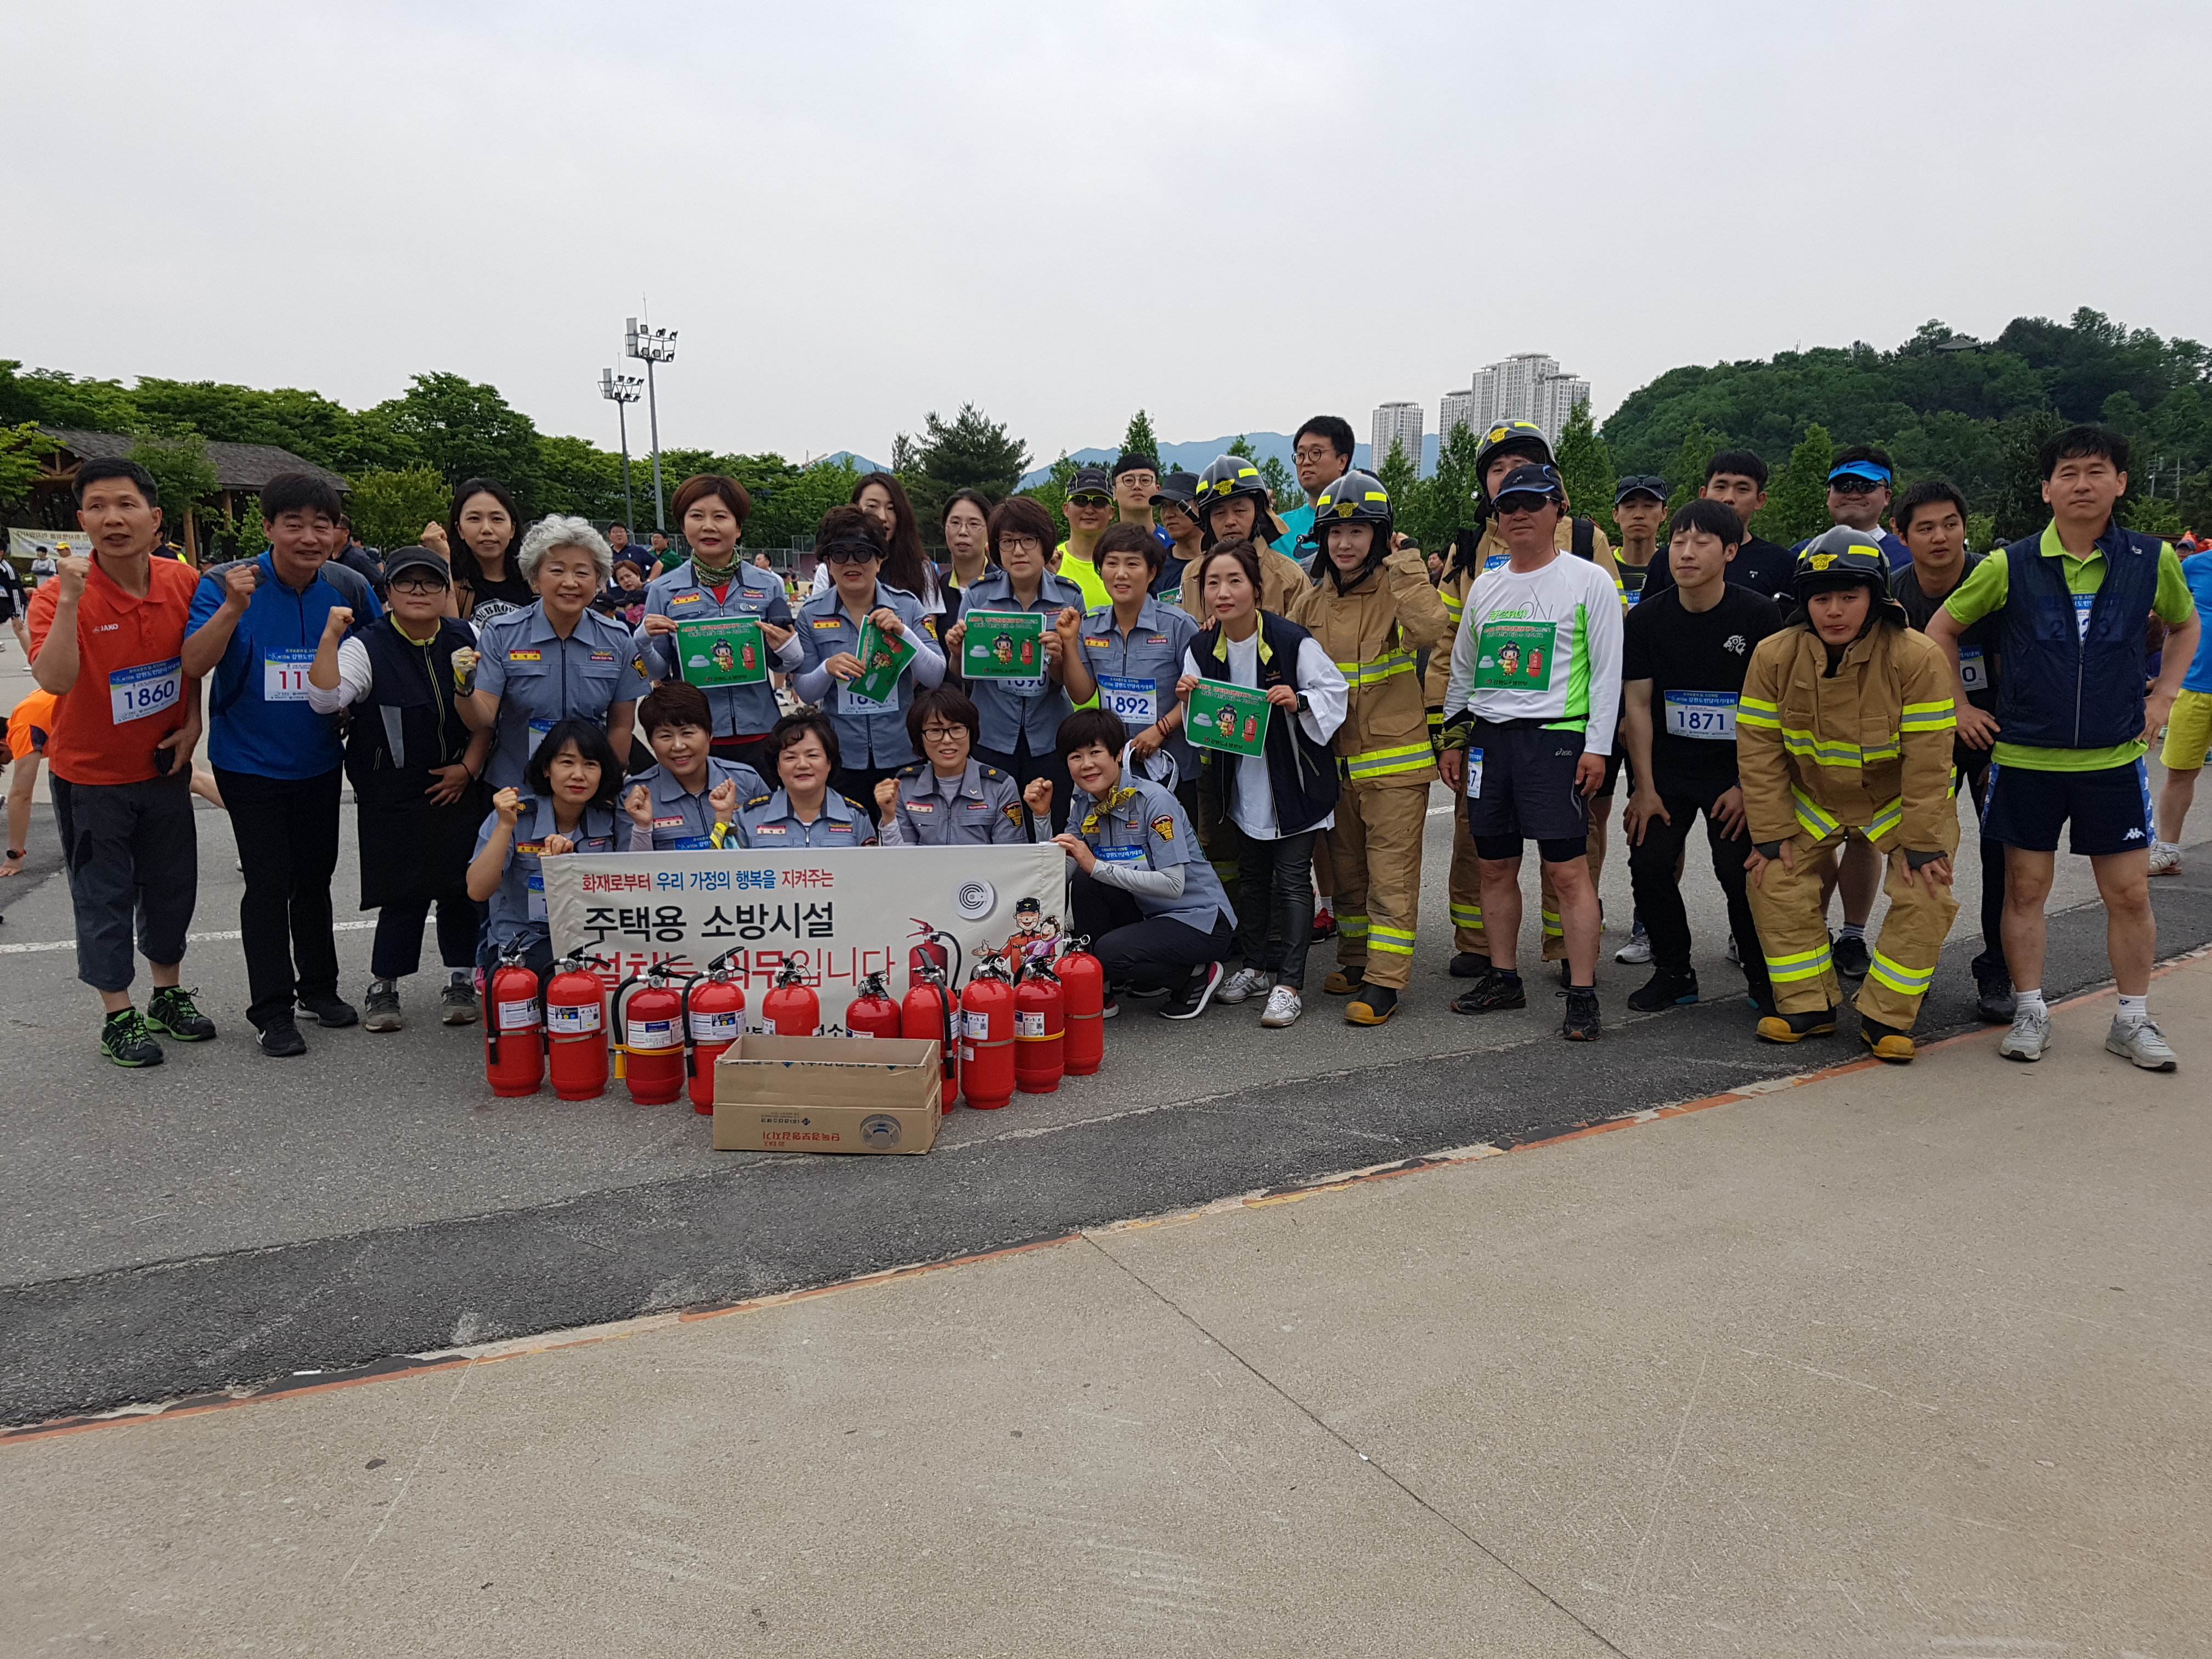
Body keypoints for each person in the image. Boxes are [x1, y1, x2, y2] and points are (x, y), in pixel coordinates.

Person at [1928, 425, 2199, 1071]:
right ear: (2047, 488)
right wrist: (1961, 708)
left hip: (2113, 759)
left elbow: (2185, 625)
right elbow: (1940, 630)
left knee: (2129, 893)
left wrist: (2164, 695)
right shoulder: (2011, 564)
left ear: (2120, 483)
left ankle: (2132, 1018)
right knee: (2025, 890)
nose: (2082, 484)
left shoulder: (2150, 559)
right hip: (2026, 757)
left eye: (2096, 471)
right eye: (2068, 473)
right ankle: (2030, 1011)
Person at [25, 457, 217, 1066]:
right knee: (102, 897)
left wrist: (193, 721)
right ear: (82, 521)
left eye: (126, 505)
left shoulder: (182, 583)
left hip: (163, 770)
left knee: (170, 889)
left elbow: (191, 663)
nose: (113, 519)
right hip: (91, 779)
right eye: (98, 508)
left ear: (155, 519)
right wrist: (70, 599)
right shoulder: (55, 597)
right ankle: (118, 1013)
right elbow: (55, 679)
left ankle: (167, 994)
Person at [1740, 529, 1959, 1061]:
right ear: (1804, 602)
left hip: (1895, 802)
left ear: (1875, 598)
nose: (1834, 610)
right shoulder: (1773, 655)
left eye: (1848, 596)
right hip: (1814, 797)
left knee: (1927, 891)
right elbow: (1759, 750)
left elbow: (1930, 760)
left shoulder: (1917, 657)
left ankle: (1887, 1016)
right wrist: (1770, 833)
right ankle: (1808, 1006)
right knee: (1771, 879)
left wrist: (1923, 842)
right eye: (1821, 598)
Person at [184, 472, 381, 1056]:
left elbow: (377, 652)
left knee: (314, 881)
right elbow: (194, 663)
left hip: (319, 761)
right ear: (269, 528)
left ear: (337, 532)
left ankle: (318, 989)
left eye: (322, 525)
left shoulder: (348, 585)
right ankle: (272, 1011)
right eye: (293, 524)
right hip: (248, 762)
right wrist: (233, 607)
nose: (309, 537)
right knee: (268, 885)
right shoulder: (225, 583)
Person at [1424, 421, 1620, 980]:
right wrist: (1450, 737)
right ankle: (1494, 965)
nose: (1517, 505)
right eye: (1502, 483)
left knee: (1567, 867)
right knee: (1486, 860)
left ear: (1557, 501)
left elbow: (1608, 663)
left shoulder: (1587, 559)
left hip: (1557, 738)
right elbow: (1456, 661)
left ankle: (1575, 971)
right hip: (1489, 740)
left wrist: (1599, 745)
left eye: (1531, 493)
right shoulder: (1475, 566)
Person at [1284, 471, 1450, 1027]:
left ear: (1381, 536)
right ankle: (1356, 960)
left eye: (1358, 531)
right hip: (1336, 765)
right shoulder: (1312, 600)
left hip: (1394, 765)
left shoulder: (1398, 589)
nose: (1345, 543)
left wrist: (1407, 564)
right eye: (1335, 532)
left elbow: (1430, 629)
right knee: (1349, 873)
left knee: (1390, 877)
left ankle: (1385, 981)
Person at [304, 546, 491, 1033]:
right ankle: (384, 985)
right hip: (392, 788)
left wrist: (469, 769)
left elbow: (491, 717)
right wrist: (329, 637)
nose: (418, 592)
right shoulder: (365, 645)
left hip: (458, 782)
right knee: (400, 891)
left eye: (431, 582)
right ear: (387, 591)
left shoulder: (468, 636)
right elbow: (325, 700)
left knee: (461, 888)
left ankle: (461, 979)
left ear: (446, 591)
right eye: (406, 582)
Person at [1617, 500, 1782, 1013]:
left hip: (1734, 771)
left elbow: (1772, 708)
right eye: (1679, 542)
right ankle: (1674, 972)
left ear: (1730, 551)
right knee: (1649, 862)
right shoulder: (1646, 619)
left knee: (1739, 871)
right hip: (1666, 769)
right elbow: (1637, 705)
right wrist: (1644, 789)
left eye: (1701, 542)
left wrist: (1747, 786)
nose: (1686, 553)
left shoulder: (1759, 615)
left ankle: (1763, 978)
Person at [1175, 538, 1347, 1030]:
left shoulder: (1291, 640)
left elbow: (1334, 692)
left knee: (1292, 882)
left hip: (1294, 783)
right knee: (1252, 878)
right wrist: (1187, 698)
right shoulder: (1201, 648)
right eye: (1213, 583)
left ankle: (1289, 985)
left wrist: (1300, 700)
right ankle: (1254, 968)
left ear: (1256, 587)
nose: (1223, 592)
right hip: (1241, 786)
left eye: (1234, 581)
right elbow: (1200, 727)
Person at [1889, 478, 2013, 1023]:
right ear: (1902, 535)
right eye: (1925, 528)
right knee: (1922, 857)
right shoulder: (1892, 596)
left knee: (2004, 856)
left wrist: (2003, 740)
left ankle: (1998, 971)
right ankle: (1911, 971)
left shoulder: (1994, 581)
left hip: (1992, 734)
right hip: (1923, 744)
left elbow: (2018, 667)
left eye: (1951, 525)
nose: (1940, 537)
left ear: (1966, 527)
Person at [1029, 707, 1237, 1019]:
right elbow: (1057, 876)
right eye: (1075, 757)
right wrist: (1042, 817)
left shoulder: (1154, 801)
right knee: (1085, 883)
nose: (1086, 764)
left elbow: (1173, 885)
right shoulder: (1085, 805)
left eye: (1095, 752)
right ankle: (1103, 987)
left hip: (1199, 920)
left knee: (1109, 949)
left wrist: (1096, 865)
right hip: (1150, 912)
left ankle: (1194, 976)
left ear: (1117, 754)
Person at [635, 473, 802, 776]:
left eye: (720, 517)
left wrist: (786, 647)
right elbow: (659, 671)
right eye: (697, 516)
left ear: (738, 528)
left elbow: (782, 664)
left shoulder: (768, 585)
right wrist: (643, 641)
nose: (708, 526)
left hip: (761, 730)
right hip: (694, 737)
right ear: (683, 526)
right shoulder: (663, 590)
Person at [464, 517, 646, 792]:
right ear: (535, 579)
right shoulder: (502, 634)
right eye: (557, 571)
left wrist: (606, 785)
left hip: (585, 789)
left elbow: (621, 726)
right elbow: (483, 719)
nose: (570, 582)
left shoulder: (618, 639)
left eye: (582, 573)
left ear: (598, 581)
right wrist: (463, 690)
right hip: (514, 788)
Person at [940, 497, 1084, 832]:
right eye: (1008, 541)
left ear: (1045, 545)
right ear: (996, 549)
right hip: (991, 735)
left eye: (1028, 540)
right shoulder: (978, 596)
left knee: (1049, 827)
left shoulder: (1069, 597)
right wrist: (957, 652)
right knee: (992, 828)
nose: (1018, 551)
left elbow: (1068, 679)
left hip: (1049, 737)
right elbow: (962, 674)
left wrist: (1060, 657)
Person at [790, 505, 947, 807]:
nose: (851, 563)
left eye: (862, 553)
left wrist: (904, 634)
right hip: (841, 755)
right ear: (827, 562)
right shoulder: (811, 614)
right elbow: (805, 690)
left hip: (901, 751)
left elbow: (936, 675)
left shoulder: (908, 606)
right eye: (840, 554)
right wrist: (827, 668)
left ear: (879, 560)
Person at [466, 721, 623, 992]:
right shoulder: (515, 815)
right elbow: (478, 890)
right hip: (523, 943)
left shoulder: (613, 819)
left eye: (590, 764)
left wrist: (569, 866)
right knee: (558, 978)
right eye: (567, 762)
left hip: (595, 939)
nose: (578, 775)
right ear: (547, 769)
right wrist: (505, 826)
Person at [1059, 521, 1202, 812]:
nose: (1121, 573)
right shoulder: (1089, 626)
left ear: (1152, 573)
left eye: (1132, 564)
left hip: (1171, 766)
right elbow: (1081, 694)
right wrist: (1070, 643)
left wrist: (1160, 730)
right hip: (1112, 769)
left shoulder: (1178, 625)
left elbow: (1200, 692)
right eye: (1112, 563)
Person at [1638, 450, 1798, 606]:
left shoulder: (1781, 563)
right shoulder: (1668, 559)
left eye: (1742, 489)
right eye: (1721, 487)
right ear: (1703, 494)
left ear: (1760, 500)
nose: (1729, 498)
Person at [620, 681, 767, 850]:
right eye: (666, 736)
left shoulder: (747, 782)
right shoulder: (635, 797)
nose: (678, 746)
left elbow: (773, 847)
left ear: (710, 733)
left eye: (687, 733)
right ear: (651, 742)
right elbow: (628, 864)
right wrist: (643, 829)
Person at [874, 685, 1028, 845]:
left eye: (956, 729)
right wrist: (888, 816)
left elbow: (1010, 854)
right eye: (935, 731)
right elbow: (900, 857)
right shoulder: (905, 786)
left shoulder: (1000, 786)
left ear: (971, 732)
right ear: (920, 738)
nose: (947, 740)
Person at [2149, 537, 2212, 876]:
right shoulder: (2195, 566)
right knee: (2180, 771)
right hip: (2194, 686)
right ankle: (2168, 849)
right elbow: (2167, 615)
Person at [730, 707, 879, 847]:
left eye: (812, 755)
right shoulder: (747, 818)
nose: (802, 765)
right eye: (790, 757)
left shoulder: (856, 817)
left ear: (829, 762)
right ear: (778, 767)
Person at [447, 478, 534, 624]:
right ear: (460, 529)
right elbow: (448, 633)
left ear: (512, 529)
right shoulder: (449, 584)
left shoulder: (535, 583)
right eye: (474, 519)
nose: (487, 529)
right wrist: (442, 560)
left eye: (497, 519)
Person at [1279, 415, 1357, 563]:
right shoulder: (1278, 529)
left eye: (1316, 453)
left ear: (1342, 461)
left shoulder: (1363, 522)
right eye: (1301, 455)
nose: (1306, 462)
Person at [2, 688, 55, 877]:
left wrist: (14, 855)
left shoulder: (23, 729)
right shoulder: (27, 713)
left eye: (2, 761)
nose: (7, 764)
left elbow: (21, 794)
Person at [1051, 466, 1118, 611]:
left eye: (1099, 501)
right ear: (1066, 509)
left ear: (1111, 512)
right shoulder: (1052, 563)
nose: (1089, 509)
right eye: (1081, 500)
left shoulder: (1124, 565)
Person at [1610, 476, 1669, 607]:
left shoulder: (1674, 567)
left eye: (1649, 506)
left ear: (1664, 513)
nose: (1638, 515)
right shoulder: (1602, 565)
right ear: (1616, 515)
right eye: (1630, 506)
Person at [1149, 472, 1205, 600]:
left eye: (1177, 504)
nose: (1168, 514)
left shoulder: (1226, 560)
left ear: (1201, 505)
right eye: (1164, 506)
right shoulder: (1157, 571)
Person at [940, 488, 993, 595]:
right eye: (955, 523)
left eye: (974, 524)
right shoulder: (936, 590)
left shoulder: (1005, 585)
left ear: (989, 530)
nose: (963, 532)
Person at [598, 556, 649, 625]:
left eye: (628, 576)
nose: (626, 581)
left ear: (638, 575)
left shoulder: (651, 589)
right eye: (621, 579)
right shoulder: (629, 596)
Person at [0, 550, 30, 657]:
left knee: (18, 629)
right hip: (4, 602)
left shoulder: (7, 570)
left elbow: (16, 592)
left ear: (1, 553)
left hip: (16, 602)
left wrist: (16, 614)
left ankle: (35, 660)